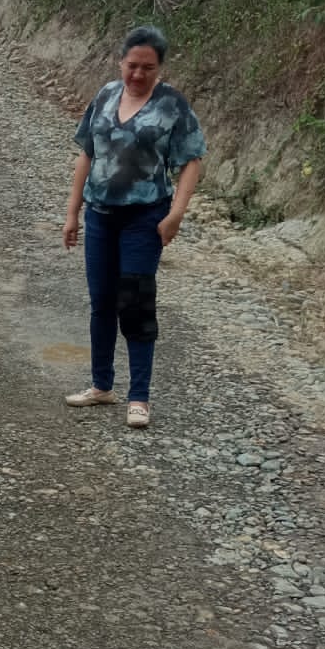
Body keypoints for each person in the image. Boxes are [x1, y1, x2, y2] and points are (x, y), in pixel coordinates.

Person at [62, 25, 206, 429]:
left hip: (144, 219)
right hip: (100, 216)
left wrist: (176, 214)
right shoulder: (106, 96)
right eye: (132, 65)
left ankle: (139, 396)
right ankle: (101, 385)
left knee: (136, 303)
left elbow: (191, 161)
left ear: (159, 68)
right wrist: (73, 212)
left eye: (148, 67)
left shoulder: (171, 104)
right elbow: (87, 155)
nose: (138, 74)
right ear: (120, 62)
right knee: (102, 302)